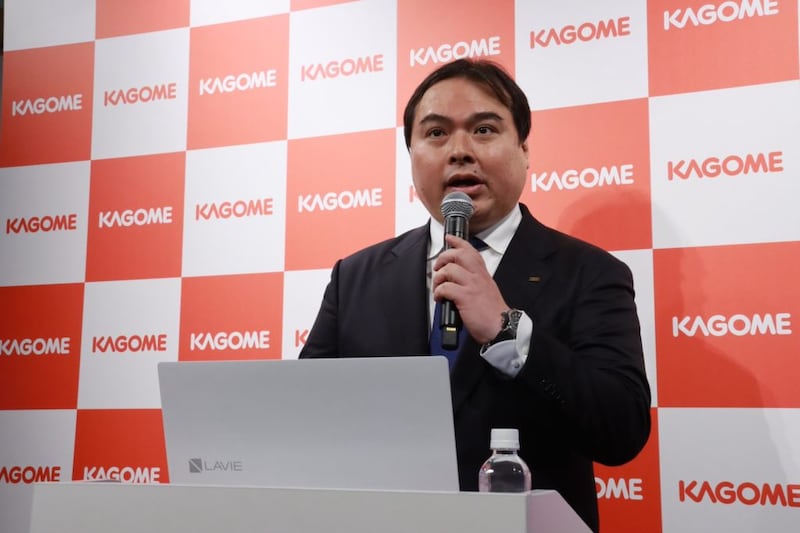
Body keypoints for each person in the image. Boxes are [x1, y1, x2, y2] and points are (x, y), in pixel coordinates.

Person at [299, 58, 651, 533]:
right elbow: (304, 418)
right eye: (436, 133)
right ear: (411, 154)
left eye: (484, 130)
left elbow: (621, 431)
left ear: (524, 150)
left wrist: (508, 332)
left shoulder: (589, 272)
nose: (460, 151)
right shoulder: (356, 276)